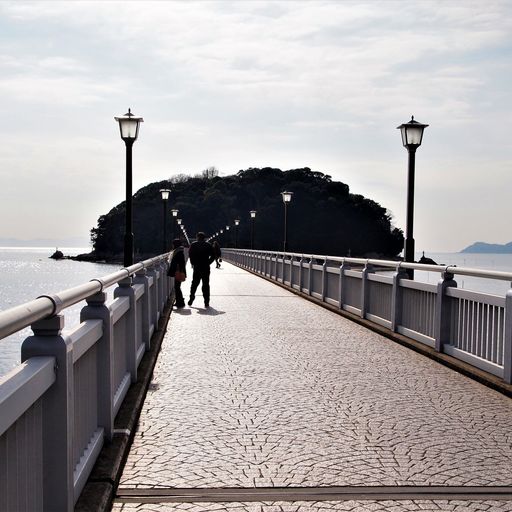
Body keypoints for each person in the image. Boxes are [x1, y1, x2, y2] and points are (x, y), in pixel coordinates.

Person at [188, 232, 215, 308]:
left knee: (194, 283)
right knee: (205, 284)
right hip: (205, 267)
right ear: (204, 238)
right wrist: (208, 262)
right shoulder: (208, 245)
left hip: (197, 267)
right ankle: (206, 301)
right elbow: (213, 255)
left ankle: (192, 297)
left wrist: (193, 263)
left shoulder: (193, 245)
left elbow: (190, 254)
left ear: (197, 237)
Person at [168, 238, 186, 308]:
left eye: (173, 244)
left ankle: (180, 302)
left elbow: (180, 262)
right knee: (177, 287)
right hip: (179, 271)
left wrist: (180, 270)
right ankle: (179, 301)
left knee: (177, 287)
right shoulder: (179, 251)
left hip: (178, 271)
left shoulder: (178, 252)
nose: (172, 246)